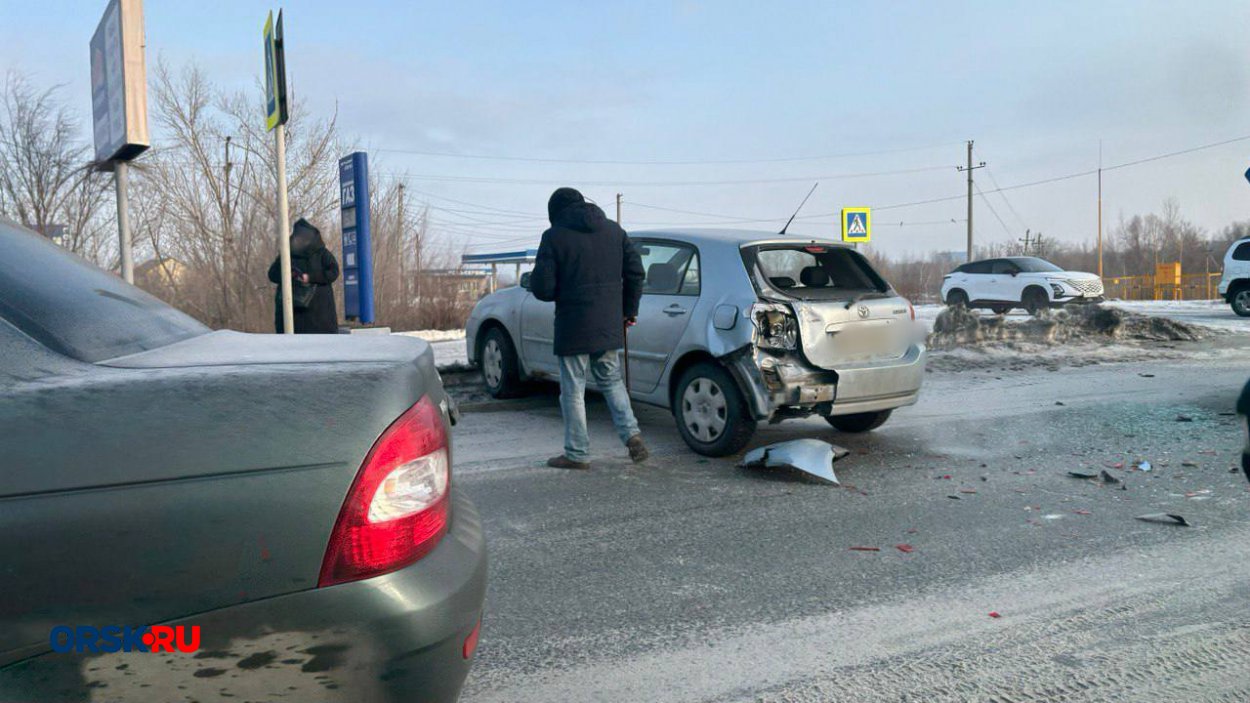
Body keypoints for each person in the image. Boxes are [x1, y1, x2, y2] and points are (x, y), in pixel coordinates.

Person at [530, 187, 648, 469]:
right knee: (611, 380)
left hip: (573, 324)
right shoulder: (614, 231)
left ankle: (577, 453)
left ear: (554, 213)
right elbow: (635, 273)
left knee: (573, 389)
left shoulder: (554, 236)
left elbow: (544, 289)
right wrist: (629, 311)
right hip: (608, 323)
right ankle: (632, 435)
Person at [267, 218, 340, 334]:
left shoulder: (322, 253)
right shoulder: (287, 254)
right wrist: (288, 274)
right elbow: (272, 275)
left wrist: (310, 277)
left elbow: (333, 272)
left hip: (319, 314)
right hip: (292, 314)